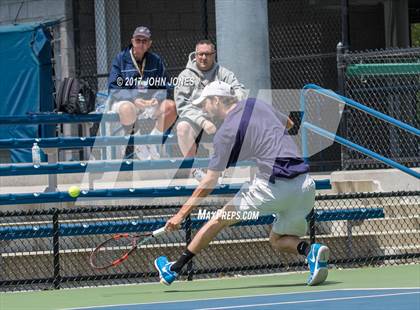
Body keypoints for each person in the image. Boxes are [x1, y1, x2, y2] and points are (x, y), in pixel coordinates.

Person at [154, 81, 329, 286]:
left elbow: (210, 181)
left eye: (206, 103)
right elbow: (288, 124)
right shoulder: (256, 104)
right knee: (277, 239)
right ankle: (311, 252)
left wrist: (180, 215)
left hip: (272, 187)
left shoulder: (224, 134)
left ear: (217, 100)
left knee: (218, 219)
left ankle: (173, 270)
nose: (204, 109)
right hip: (305, 186)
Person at [174, 40, 247, 179]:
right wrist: (202, 121)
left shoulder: (224, 73)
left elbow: (240, 91)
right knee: (182, 127)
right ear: (195, 55)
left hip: (220, 117)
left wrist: (228, 102)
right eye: (200, 54)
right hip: (197, 120)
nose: (203, 57)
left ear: (214, 55)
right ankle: (194, 170)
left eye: (207, 54)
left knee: (240, 117)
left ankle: (229, 165)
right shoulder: (185, 76)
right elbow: (182, 105)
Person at [108, 26, 177, 159]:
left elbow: (163, 85)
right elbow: (114, 86)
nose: (141, 44)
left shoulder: (155, 60)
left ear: (149, 43)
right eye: (138, 40)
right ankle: (139, 144)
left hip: (149, 103)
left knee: (170, 107)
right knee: (127, 108)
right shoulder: (120, 59)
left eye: (144, 41)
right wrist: (134, 99)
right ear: (132, 41)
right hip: (127, 101)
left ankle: (152, 142)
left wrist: (156, 99)